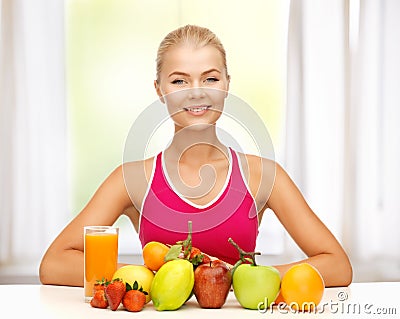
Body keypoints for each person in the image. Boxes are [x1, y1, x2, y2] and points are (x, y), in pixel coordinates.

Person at [39, 25, 352, 287]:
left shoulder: (262, 175)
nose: (196, 92)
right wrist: (150, 276)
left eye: (210, 78)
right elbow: (54, 264)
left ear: (227, 85)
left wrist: (238, 278)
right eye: (179, 81)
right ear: (159, 90)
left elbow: (337, 266)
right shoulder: (132, 179)